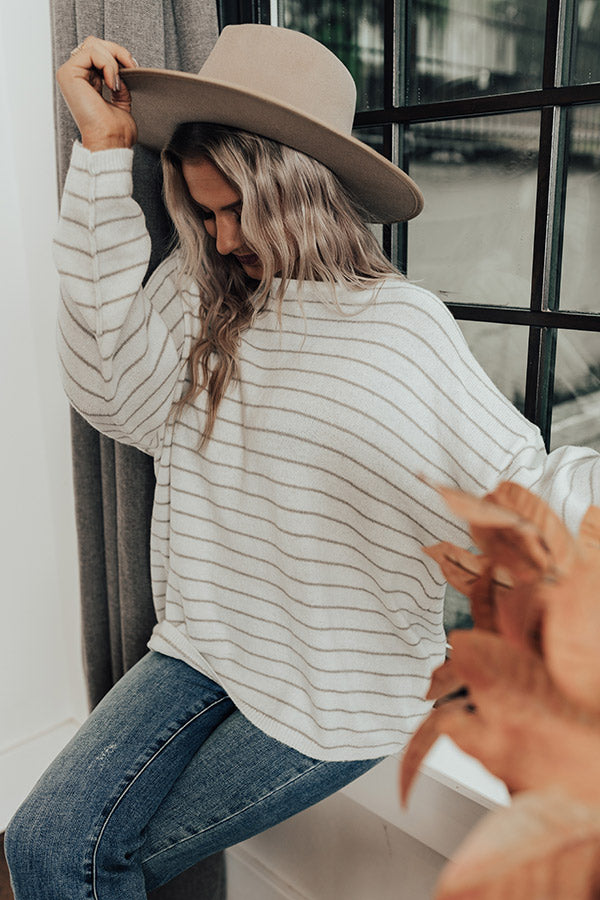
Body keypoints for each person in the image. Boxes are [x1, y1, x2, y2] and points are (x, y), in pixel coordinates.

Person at [5, 24, 599, 900]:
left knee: (77, 863)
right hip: (206, 642)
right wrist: (102, 159)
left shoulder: (396, 328)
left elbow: (522, 486)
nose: (221, 235)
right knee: (41, 843)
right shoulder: (201, 293)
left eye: (236, 208)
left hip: (338, 685)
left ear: (296, 188)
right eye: (204, 212)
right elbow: (109, 395)